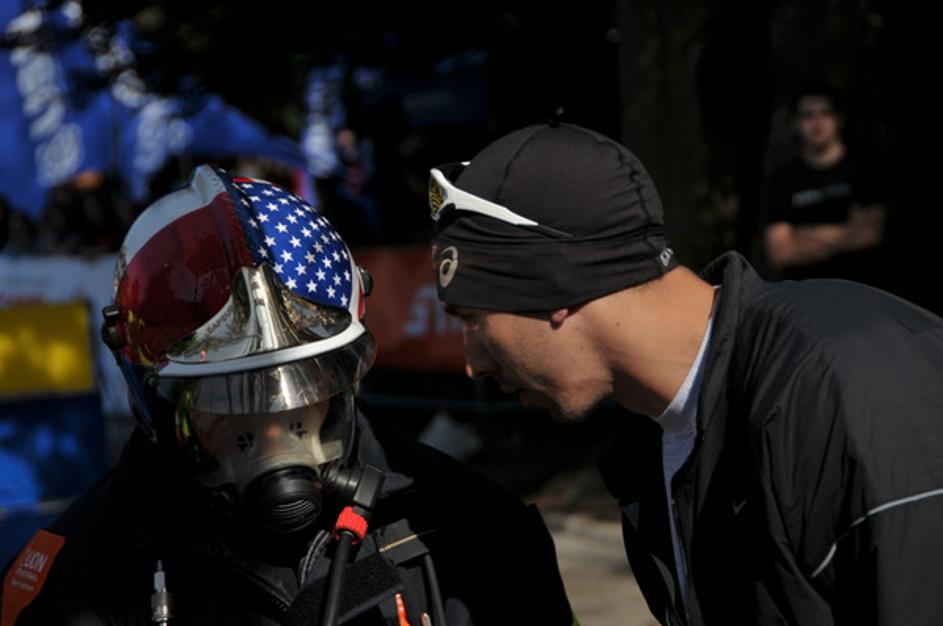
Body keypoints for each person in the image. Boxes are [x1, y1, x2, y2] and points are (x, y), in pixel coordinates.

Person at [0, 165, 574, 626]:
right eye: (227, 391)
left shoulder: (479, 533)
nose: (275, 418)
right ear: (155, 401)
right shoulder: (77, 572)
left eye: (308, 379)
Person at [426, 122, 943, 625]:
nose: (475, 364)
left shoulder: (849, 382)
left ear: (553, 283)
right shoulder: (655, 442)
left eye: (474, 318)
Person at [763, 86, 888, 285]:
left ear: (839, 119)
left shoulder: (863, 170)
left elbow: (869, 235)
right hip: (803, 296)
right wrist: (846, 232)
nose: (817, 123)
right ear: (796, 123)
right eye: (808, 115)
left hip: (860, 290)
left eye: (825, 113)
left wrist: (805, 234)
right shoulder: (783, 180)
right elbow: (781, 252)